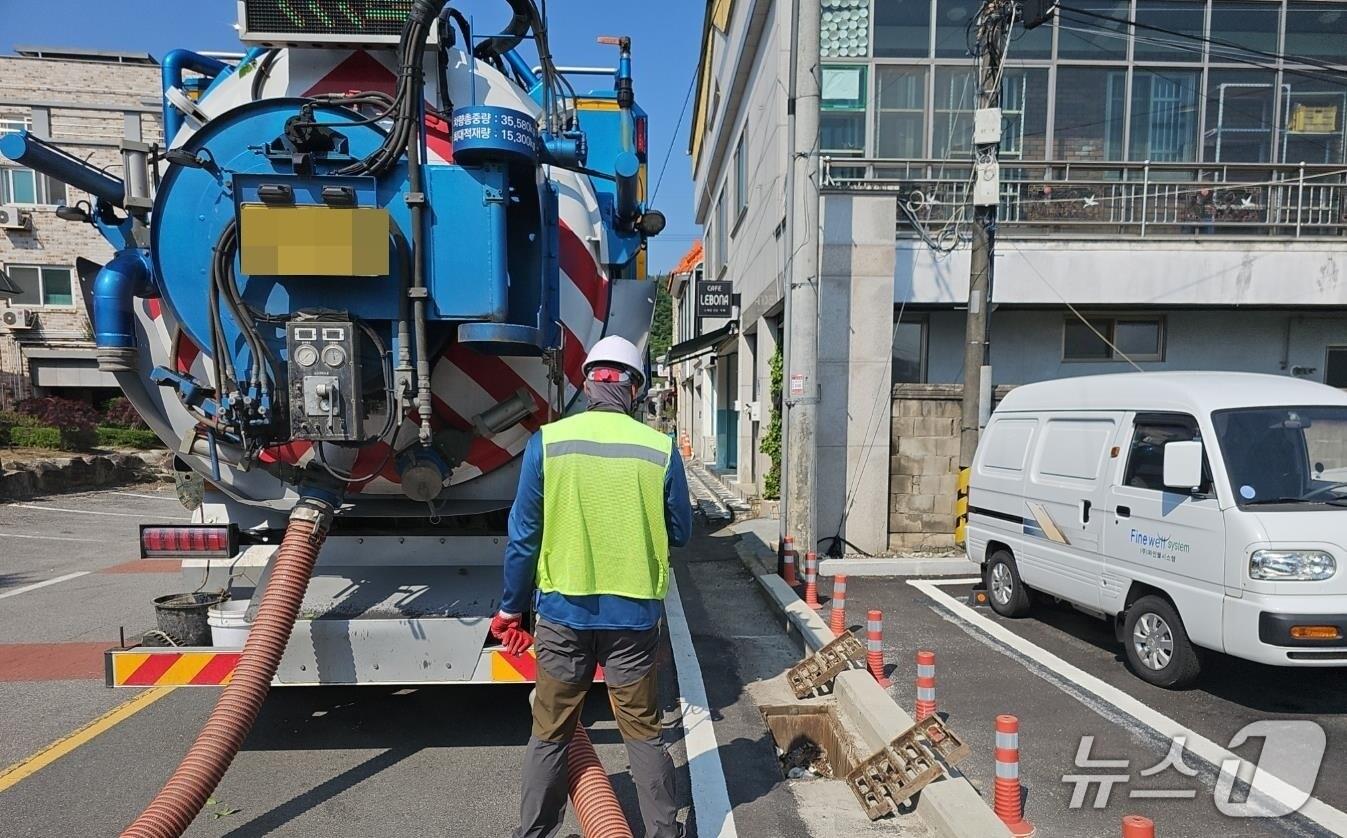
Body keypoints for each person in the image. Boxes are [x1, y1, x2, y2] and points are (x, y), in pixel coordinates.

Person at [490, 334, 693, 838]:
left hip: (562, 617)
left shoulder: (549, 443)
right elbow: (682, 532)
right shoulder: (659, 449)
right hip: (634, 621)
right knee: (644, 736)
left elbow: (523, 538)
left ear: (587, 384)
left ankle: (532, 834)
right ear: (634, 389)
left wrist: (511, 610)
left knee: (551, 735)